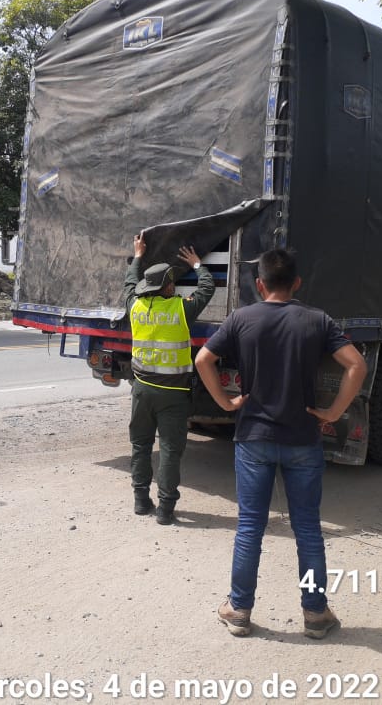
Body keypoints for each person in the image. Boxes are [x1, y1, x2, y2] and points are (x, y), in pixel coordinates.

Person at [194, 248, 367, 640]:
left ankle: (239, 609)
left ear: (259, 285)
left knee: (250, 527)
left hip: (254, 436)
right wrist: (334, 411)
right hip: (303, 437)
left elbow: (204, 359)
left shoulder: (241, 318)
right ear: (297, 283)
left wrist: (226, 403)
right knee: (307, 529)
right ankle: (315, 613)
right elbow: (357, 365)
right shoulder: (316, 320)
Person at [122, 233, 214, 524]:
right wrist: (198, 264)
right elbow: (207, 288)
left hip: (141, 391)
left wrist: (138, 254)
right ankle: (165, 510)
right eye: (172, 282)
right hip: (173, 396)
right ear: (168, 287)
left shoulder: (135, 306)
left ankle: (140, 501)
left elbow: (128, 283)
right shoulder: (181, 309)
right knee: (170, 452)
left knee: (140, 446)